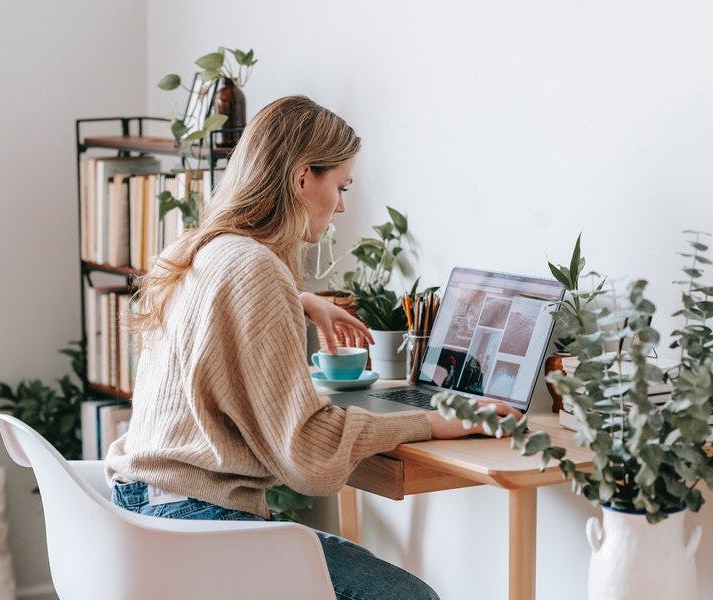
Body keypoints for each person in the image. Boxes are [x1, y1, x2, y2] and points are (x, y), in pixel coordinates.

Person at [104, 95, 521, 600]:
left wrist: (303, 300)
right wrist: (434, 422)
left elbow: (221, 303)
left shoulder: (194, 248)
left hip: (142, 507)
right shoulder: (255, 269)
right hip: (196, 522)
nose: (342, 204)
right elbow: (308, 455)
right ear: (303, 178)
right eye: (340, 186)